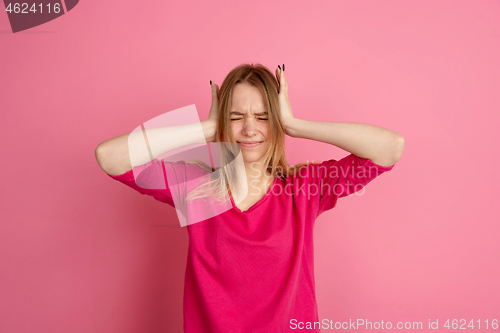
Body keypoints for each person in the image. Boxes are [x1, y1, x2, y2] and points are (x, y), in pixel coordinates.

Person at [94, 63, 405, 332]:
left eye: (263, 116)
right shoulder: (196, 186)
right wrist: (205, 128)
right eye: (235, 117)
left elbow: (390, 148)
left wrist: (296, 125)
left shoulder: (304, 188)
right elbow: (110, 157)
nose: (249, 129)